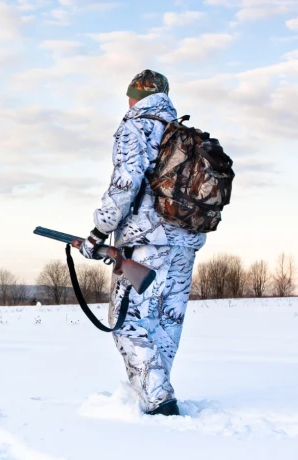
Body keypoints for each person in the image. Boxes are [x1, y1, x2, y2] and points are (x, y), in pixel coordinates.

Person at [72, 70, 206, 417]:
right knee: (166, 321)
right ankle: (155, 391)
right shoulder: (181, 132)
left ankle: (159, 402)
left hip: (146, 241)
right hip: (186, 240)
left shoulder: (137, 125)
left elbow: (125, 184)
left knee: (127, 323)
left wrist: (99, 232)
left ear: (133, 96)